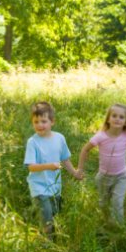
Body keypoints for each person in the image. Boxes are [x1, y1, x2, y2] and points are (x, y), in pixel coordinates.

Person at [23, 101, 83, 239]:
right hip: (39, 187)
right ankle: (47, 243)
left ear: (52, 122)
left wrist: (74, 172)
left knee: (55, 214)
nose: (39, 125)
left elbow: (65, 159)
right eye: (36, 121)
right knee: (47, 217)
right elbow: (31, 166)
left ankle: (53, 237)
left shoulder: (59, 138)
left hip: (55, 187)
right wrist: (49, 166)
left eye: (43, 121)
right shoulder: (33, 142)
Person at [77, 104, 126, 225]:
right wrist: (80, 168)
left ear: (125, 122)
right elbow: (85, 150)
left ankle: (118, 227)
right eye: (114, 116)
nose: (117, 119)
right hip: (103, 176)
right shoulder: (101, 136)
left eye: (121, 117)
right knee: (103, 203)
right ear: (108, 119)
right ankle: (105, 222)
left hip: (121, 176)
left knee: (117, 202)